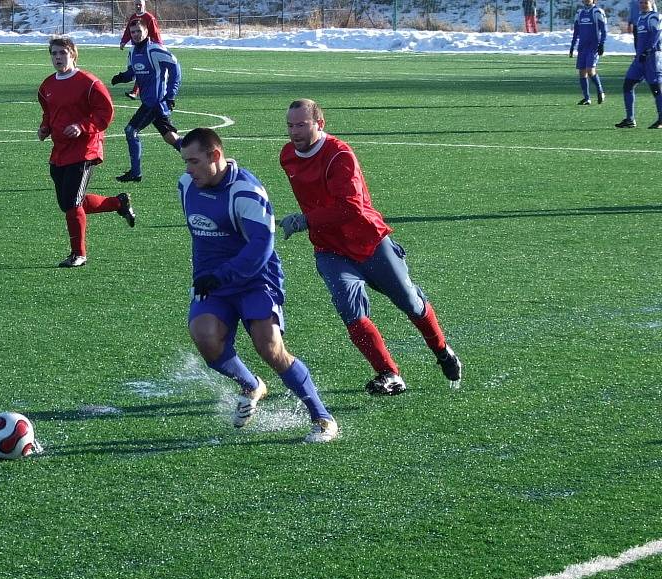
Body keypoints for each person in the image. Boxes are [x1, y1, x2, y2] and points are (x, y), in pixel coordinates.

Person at [279, 99, 462, 396]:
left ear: (319, 124)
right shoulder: (287, 155)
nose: (294, 131)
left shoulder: (339, 155)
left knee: (410, 302)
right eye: (290, 125)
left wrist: (304, 220)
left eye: (302, 124)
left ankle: (442, 350)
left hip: (369, 241)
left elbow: (350, 208)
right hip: (330, 250)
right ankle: (389, 373)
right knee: (349, 311)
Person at [179, 127, 338, 443]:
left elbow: (260, 248)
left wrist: (221, 275)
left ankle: (322, 418)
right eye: (185, 161)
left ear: (215, 156)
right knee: (205, 337)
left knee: (270, 347)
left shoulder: (247, 192)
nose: (188, 169)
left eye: (194, 161)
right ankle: (251, 385)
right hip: (213, 283)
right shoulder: (186, 185)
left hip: (255, 280)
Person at [38, 37, 136, 268]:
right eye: (54, 53)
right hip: (60, 151)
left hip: (85, 149)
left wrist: (82, 126)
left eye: (62, 52)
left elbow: (105, 113)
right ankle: (118, 203)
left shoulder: (89, 82)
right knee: (69, 203)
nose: (58, 57)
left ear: (73, 54)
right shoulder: (47, 86)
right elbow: (49, 112)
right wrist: (45, 128)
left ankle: (78, 254)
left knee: (72, 203)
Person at [111, 18, 182, 183]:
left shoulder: (155, 50)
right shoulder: (132, 52)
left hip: (154, 102)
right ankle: (199, 155)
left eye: (138, 31)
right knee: (170, 137)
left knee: (131, 130)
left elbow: (175, 67)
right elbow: (132, 73)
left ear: (146, 32)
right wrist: (121, 77)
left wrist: (171, 94)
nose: (135, 35)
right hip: (150, 101)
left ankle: (135, 173)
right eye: (132, 32)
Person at [615, 0, 662, 128]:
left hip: (652, 58)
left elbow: (656, 34)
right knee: (628, 85)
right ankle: (630, 119)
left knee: (656, 89)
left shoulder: (654, 16)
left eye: (645, 2)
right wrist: (638, 53)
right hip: (640, 59)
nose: (642, 5)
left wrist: (647, 51)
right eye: (641, 2)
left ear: (651, 3)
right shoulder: (640, 18)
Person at [119, 0, 163, 100]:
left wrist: (159, 45)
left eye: (140, 4)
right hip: (136, 47)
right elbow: (128, 31)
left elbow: (155, 33)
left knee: (142, 69)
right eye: (136, 5)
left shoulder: (149, 18)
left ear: (144, 5)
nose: (138, 6)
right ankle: (136, 89)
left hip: (147, 48)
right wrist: (123, 41)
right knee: (136, 68)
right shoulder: (133, 17)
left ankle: (135, 91)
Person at [569, 0, 607, 105]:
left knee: (590, 70)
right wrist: (572, 46)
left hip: (593, 46)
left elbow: (604, 30)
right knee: (582, 72)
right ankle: (587, 98)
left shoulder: (597, 12)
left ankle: (600, 91)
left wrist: (602, 44)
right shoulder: (579, 13)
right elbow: (576, 31)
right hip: (582, 47)